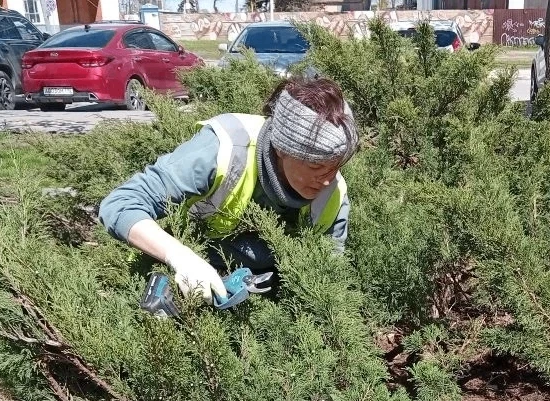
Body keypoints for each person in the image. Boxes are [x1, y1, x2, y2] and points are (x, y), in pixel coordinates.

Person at [98, 77, 359, 303]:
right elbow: (120, 204)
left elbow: (327, 280)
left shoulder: (333, 198)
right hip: (187, 279)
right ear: (281, 148)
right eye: (316, 165)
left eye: (336, 166)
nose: (327, 180)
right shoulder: (223, 150)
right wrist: (181, 258)